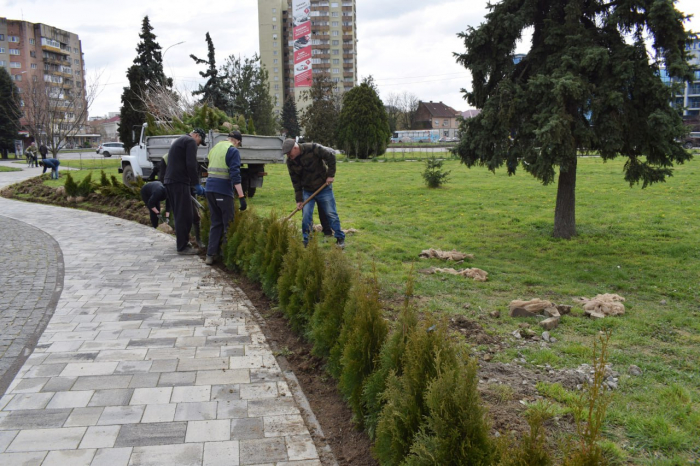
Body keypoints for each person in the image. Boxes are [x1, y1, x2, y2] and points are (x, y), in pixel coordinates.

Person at [283, 138, 345, 248]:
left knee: (331, 213)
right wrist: (299, 200)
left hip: (323, 188)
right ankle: (307, 240)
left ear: (295, 148)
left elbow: (331, 156)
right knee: (306, 215)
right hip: (307, 191)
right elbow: (295, 182)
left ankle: (340, 238)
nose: (288, 155)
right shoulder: (290, 162)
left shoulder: (312, 148)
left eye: (289, 153)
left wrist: (330, 175)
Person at [204, 131, 247, 265]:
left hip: (209, 189)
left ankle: (210, 255)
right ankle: (226, 255)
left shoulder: (215, 147)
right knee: (229, 223)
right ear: (237, 141)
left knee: (216, 222)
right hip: (222, 190)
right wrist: (241, 196)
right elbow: (235, 175)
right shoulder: (233, 150)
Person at [163, 128, 206, 255]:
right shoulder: (190, 142)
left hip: (171, 181)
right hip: (179, 182)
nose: (198, 144)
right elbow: (191, 164)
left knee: (183, 213)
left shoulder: (181, 140)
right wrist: (196, 184)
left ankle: (183, 243)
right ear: (196, 135)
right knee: (184, 215)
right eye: (200, 142)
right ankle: (182, 247)